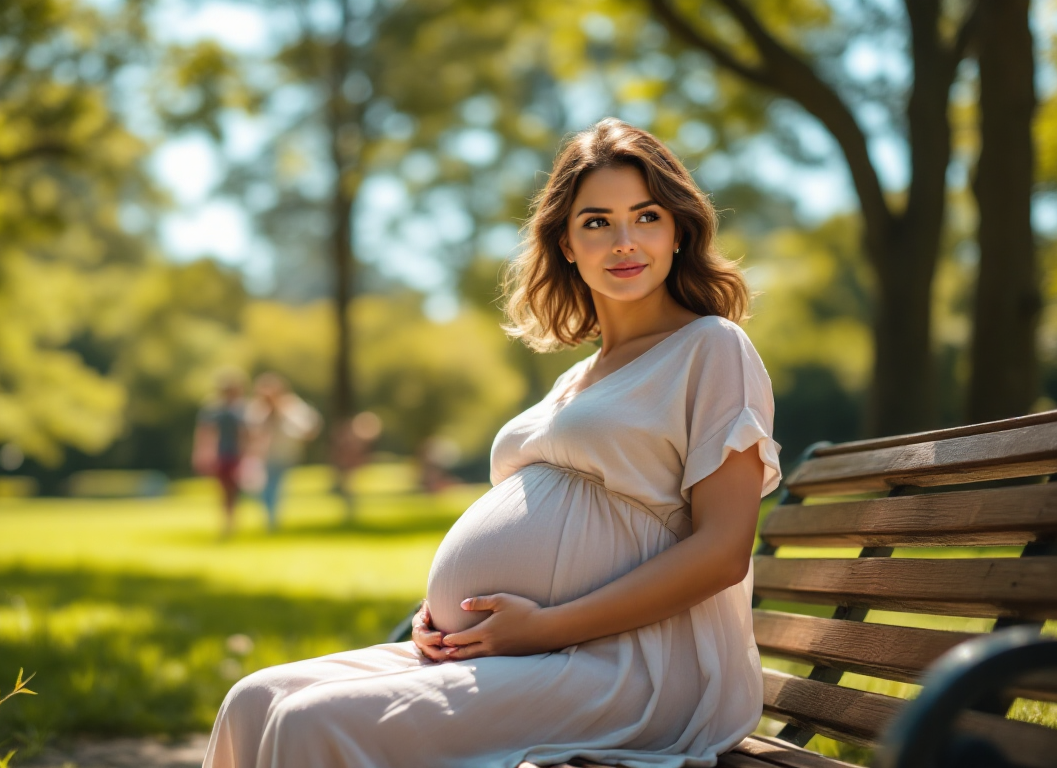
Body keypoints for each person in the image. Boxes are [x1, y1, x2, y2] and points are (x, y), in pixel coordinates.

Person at [203, 118, 782, 768]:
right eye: (596, 222)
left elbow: (723, 551)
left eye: (645, 216)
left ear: (678, 229)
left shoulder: (710, 348)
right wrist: (440, 614)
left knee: (312, 724)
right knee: (252, 700)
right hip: (526, 650)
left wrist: (544, 627)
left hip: (634, 666)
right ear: (565, 241)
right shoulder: (577, 378)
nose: (624, 242)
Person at [245, 372, 322, 531]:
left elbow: (306, 428)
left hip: (283, 453)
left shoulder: (291, 405)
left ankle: (271, 519)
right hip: (262, 454)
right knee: (261, 487)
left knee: (273, 485)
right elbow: (251, 430)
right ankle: (270, 517)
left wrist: (280, 409)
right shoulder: (257, 408)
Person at [193, 370, 250, 538]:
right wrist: (202, 453)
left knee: (235, 490)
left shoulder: (243, 408)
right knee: (224, 490)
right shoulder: (213, 409)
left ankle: (232, 521)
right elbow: (205, 432)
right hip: (221, 454)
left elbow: (249, 432)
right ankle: (228, 522)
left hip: (239, 455)